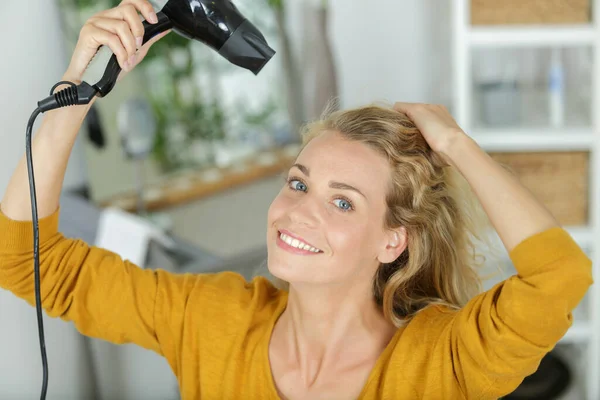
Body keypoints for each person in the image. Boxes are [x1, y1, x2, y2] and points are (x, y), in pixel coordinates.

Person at [0, 1, 593, 399]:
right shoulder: (213, 322)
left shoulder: (440, 363)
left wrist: (456, 144)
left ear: (395, 240)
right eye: (300, 182)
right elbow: (26, 259)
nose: (299, 210)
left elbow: (558, 277)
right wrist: (74, 93)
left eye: (344, 203)